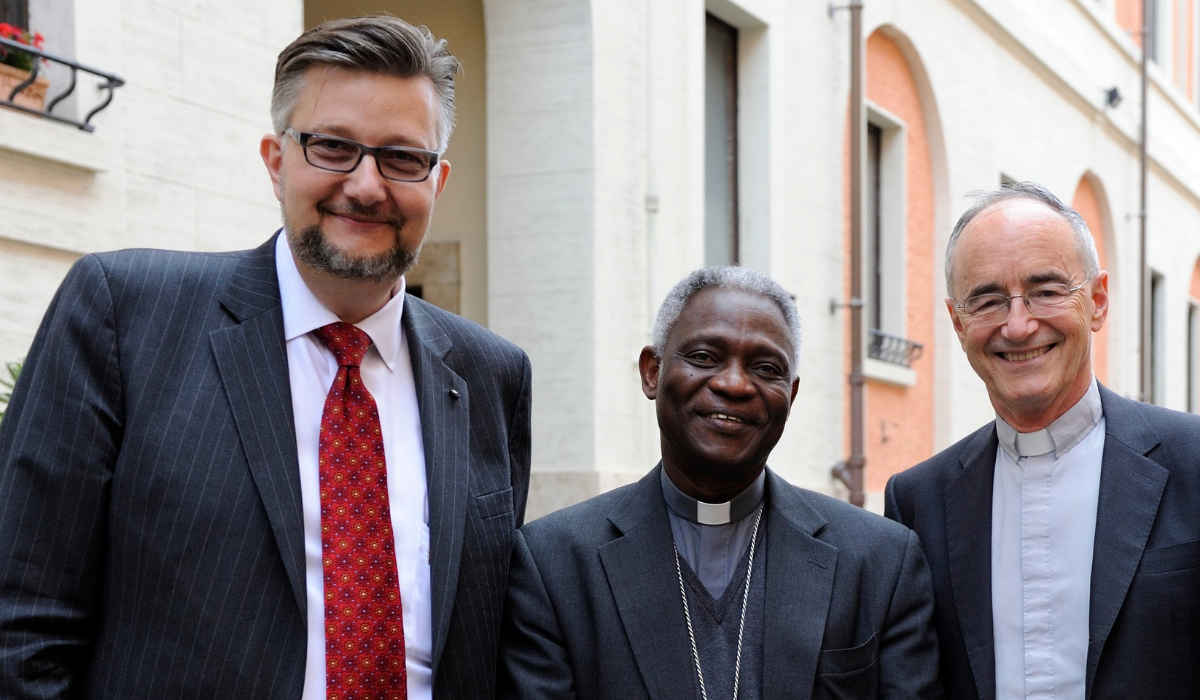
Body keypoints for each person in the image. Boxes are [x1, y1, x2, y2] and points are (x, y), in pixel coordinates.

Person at [0, 16, 531, 699]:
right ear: (277, 161)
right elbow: (20, 624)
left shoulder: (492, 375)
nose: (367, 185)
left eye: (403, 157)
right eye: (333, 146)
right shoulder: (125, 314)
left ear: (438, 179)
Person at [498, 267, 942, 700]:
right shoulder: (553, 565)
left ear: (792, 393)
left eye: (766, 368)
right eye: (704, 358)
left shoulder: (881, 561)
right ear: (652, 372)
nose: (734, 384)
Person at [886, 181, 1200, 700]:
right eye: (986, 300)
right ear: (957, 322)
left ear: (1097, 302)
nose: (1018, 324)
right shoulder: (918, 502)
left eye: (1047, 291)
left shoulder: (1193, 461)